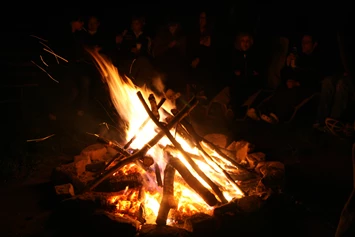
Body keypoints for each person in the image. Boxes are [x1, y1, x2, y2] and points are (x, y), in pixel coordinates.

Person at [251, 33, 323, 123]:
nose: (303, 45)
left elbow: (315, 77)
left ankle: (277, 115)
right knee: (281, 89)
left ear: (314, 44)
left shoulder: (317, 60)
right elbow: (285, 72)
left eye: (307, 42)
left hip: (305, 87)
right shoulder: (300, 58)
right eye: (302, 42)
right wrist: (288, 65)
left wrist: (297, 83)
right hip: (293, 83)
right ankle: (261, 110)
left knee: (291, 94)